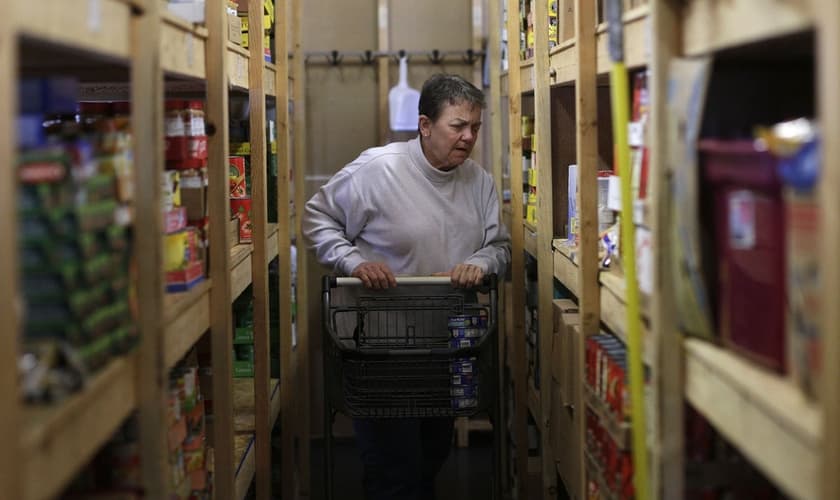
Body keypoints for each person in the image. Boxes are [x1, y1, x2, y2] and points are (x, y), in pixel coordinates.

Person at [304, 73, 511, 500]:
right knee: (393, 470)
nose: (469, 137)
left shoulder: (480, 183)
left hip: (450, 347)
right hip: (381, 349)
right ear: (424, 125)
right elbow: (316, 219)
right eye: (458, 126)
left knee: (431, 457)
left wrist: (478, 262)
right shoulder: (378, 170)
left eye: (475, 126)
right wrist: (354, 261)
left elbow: (500, 248)